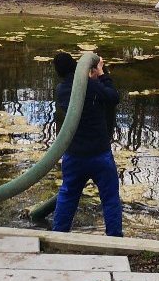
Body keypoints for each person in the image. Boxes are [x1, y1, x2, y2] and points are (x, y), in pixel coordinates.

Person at [51, 51, 123, 237]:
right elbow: (113, 97)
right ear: (76, 65)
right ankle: (115, 239)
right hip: (100, 154)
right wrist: (101, 75)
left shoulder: (62, 91)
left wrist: (91, 79)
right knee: (110, 199)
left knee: (67, 196)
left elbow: (82, 95)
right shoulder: (92, 87)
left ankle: (58, 237)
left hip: (74, 155)